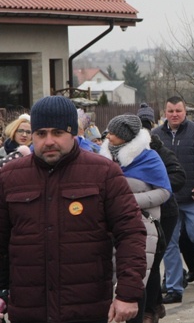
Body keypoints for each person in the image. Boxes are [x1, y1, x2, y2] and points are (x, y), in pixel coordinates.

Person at [0, 96, 147, 323]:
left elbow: (130, 234)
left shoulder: (104, 173)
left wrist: (128, 292)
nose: (48, 141)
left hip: (87, 309)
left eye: (57, 133)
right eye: (40, 133)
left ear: (74, 133)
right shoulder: (9, 177)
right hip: (29, 310)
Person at [100, 114, 172, 323]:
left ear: (126, 137)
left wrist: (126, 200)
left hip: (142, 227)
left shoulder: (149, 158)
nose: (109, 136)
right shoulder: (102, 158)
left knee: (135, 282)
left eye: (114, 133)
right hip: (108, 226)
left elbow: (164, 192)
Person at [151, 96, 194, 304]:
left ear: (185, 112)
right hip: (167, 200)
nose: (174, 114)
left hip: (193, 198)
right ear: (165, 112)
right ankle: (174, 287)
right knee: (169, 244)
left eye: (178, 111)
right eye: (170, 111)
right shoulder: (155, 136)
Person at [137, 103, 187, 323]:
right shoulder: (120, 151)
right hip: (138, 212)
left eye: (147, 125)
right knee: (143, 262)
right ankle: (154, 304)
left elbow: (178, 177)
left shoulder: (157, 147)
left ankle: (149, 310)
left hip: (164, 213)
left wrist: (155, 187)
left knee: (154, 260)